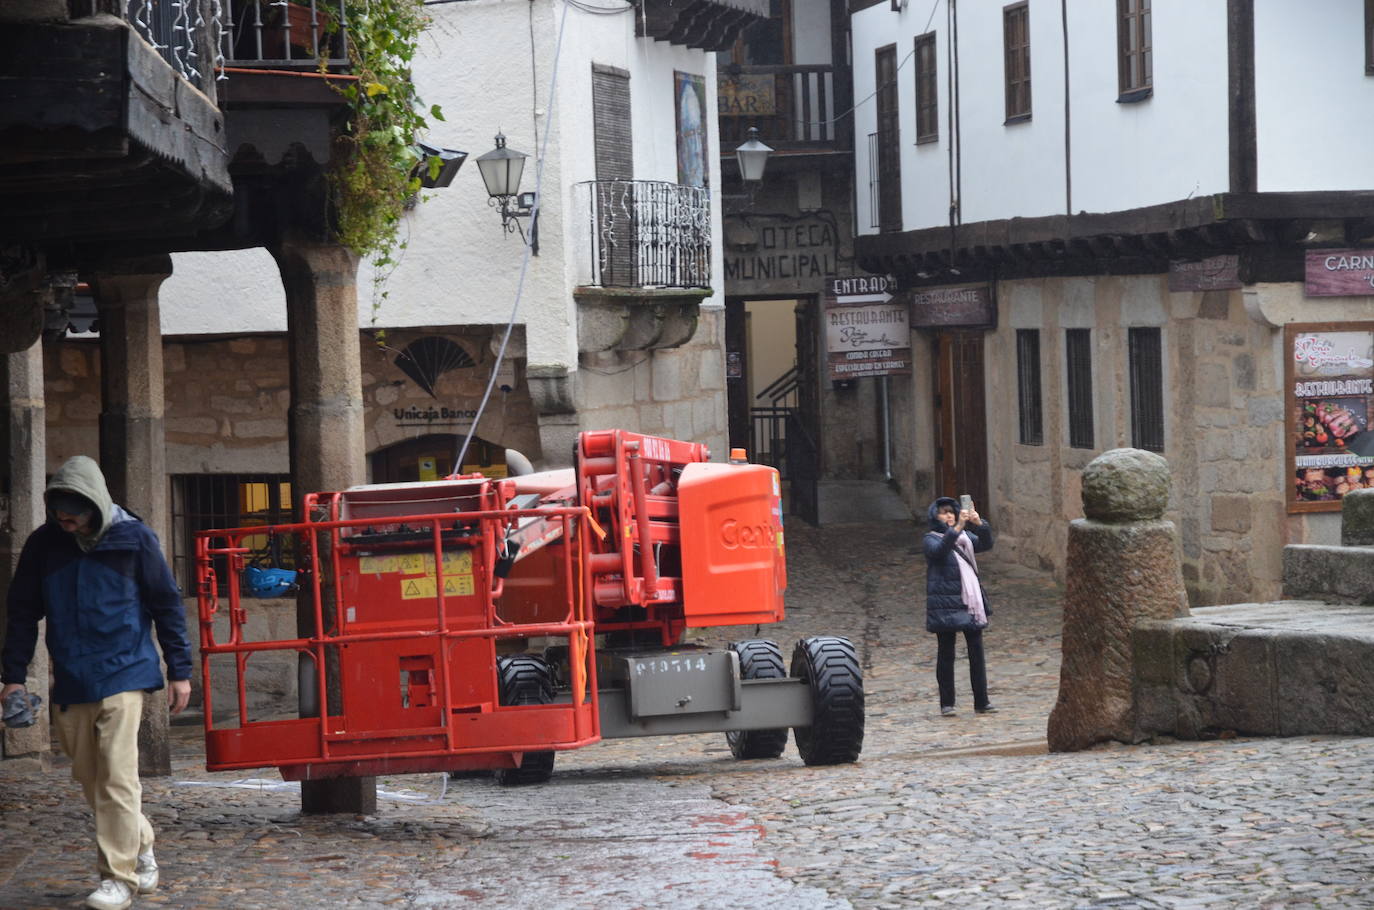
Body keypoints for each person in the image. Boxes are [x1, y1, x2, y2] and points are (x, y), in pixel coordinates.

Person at [1, 455, 192, 910]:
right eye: (59, 516)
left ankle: (118, 879)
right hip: (72, 676)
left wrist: (180, 671)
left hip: (125, 671)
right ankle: (140, 841)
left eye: (74, 517)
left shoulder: (134, 539)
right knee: (90, 778)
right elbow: (23, 612)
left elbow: (167, 604)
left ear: (95, 506)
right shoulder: (43, 545)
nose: (66, 525)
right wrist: (12, 678)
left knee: (117, 776)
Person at [923, 496, 995, 718]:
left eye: (951, 512)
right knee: (946, 653)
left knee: (976, 653)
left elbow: (986, 543)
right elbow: (940, 551)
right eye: (944, 512)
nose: (949, 516)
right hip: (944, 603)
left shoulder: (965, 537)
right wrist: (958, 528)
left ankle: (982, 701)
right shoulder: (930, 539)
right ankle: (947, 703)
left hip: (970, 602)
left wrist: (978, 523)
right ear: (935, 517)